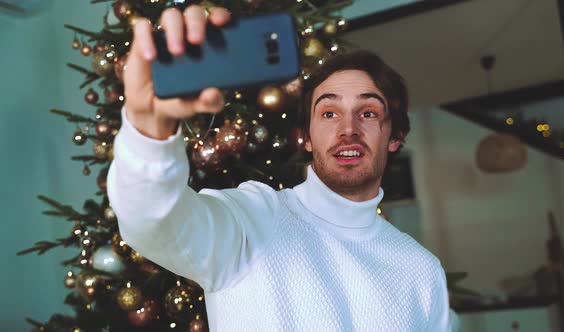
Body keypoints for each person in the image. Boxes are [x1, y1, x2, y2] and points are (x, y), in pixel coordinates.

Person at [107, 4, 452, 331]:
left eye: (369, 113)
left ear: (395, 137)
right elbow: (153, 222)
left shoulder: (421, 271)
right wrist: (148, 131)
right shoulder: (250, 221)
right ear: (305, 138)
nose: (348, 128)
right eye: (329, 113)